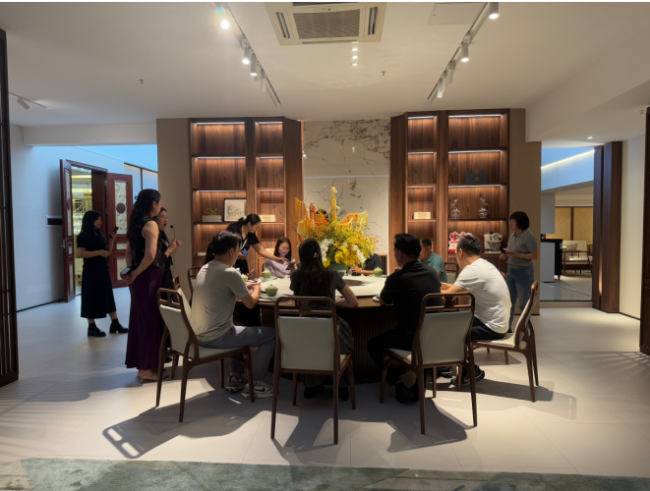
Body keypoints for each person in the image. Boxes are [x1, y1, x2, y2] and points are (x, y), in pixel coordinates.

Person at [192, 231, 276, 399]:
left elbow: (222, 290)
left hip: (198, 335)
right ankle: (255, 384)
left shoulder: (204, 269)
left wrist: (244, 288)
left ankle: (236, 377)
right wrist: (257, 288)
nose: (239, 254)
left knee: (237, 325)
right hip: (218, 336)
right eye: (238, 250)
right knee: (271, 335)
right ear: (231, 251)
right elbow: (250, 304)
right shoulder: (230, 273)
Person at [367, 233, 442, 404]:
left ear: (400, 253)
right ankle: (419, 384)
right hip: (435, 338)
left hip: (411, 339)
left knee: (373, 344)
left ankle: (399, 385)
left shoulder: (397, 278)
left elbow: (383, 301)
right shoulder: (432, 272)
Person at [290, 238, 359, 400]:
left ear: (301, 256)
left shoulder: (295, 275)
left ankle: (311, 384)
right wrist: (330, 303)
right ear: (319, 254)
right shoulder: (332, 274)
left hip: (305, 331)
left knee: (309, 340)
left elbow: (299, 304)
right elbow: (353, 302)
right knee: (338, 338)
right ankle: (342, 385)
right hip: (331, 330)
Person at [441, 234, 511, 386]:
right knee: (452, 325)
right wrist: (441, 284)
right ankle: (449, 365)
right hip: (497, 322)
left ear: (460, 252)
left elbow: (446, 297)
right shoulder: (484, 265)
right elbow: (456, 289)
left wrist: (425, 288)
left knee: (450, 332)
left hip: (491, 326)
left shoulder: (472, 270)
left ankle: (469, 370)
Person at [123, 189, 167, 382]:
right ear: (154, 204)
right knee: (148, 323)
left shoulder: (135, 223)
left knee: (140, 322)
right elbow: (150, 255)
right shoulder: (150, 224)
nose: (160, 207)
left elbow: (128, 253)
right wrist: (137, 272)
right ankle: (145, 370)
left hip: (139, 279)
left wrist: (131, 271)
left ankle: (146, 365)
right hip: (148, 278)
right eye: (159, 203)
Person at [226, 214, 288, 326]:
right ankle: (234, 319)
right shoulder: (233, 229)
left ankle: (247, 322)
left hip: (242, 265)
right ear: (249, 224)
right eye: (257, 227)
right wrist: (238, 254)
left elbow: (261, 250)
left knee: (244, 289)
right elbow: (225, 248)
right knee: (234, 291)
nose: (257, 229)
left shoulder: (251, 235)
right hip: (230, 263)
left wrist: (276, 259)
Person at [76, 210, 128, 337]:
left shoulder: (99, 235)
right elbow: (80, 253)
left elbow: (107, 252)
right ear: (90, 220)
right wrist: (98, 252)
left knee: (108, 296)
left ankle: (115, 323)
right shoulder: (83, 235)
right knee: (90, 298)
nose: (100, 221)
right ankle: (91, 327)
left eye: (100, 219)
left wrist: (111, 240)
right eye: (97, 219)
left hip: (102, 270)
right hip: (90, 272)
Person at [500, 211, 538, 330]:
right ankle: (507, 329)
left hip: (524, 272)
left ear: (520, 223)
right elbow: (512, 253)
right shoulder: (512, 236)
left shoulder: (528, 236)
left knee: (524, 303)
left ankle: (524, 330)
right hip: (511, 271)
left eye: (513, 221)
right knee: (509, 302)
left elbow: (535, 255)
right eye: (509, 221)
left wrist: (518, 255)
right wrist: (506, 256)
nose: (510, 223)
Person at [154, 207, 182, 292]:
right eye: (162, 217)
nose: (166, 220)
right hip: (160, 277)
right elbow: (158, 260)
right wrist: (169, 249)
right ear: (154, 218)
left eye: (167, 217)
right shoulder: (154, 236)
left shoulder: (162, 234)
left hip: (166, 274)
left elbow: (164, 252)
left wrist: (171, 247)